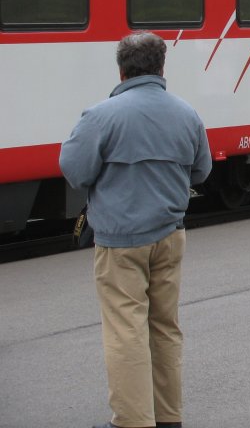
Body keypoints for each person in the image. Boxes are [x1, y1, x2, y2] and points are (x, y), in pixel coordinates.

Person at [60, 32, 212, 428]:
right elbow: (202, 170)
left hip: (120, 243)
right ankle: (168, 416)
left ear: (122, 70)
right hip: (170, 235)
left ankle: (132, 420)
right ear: (162, 68)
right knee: (165, 327)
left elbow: (75, 171)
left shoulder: (101, 115)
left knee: (126, 330)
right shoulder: (186, 114)